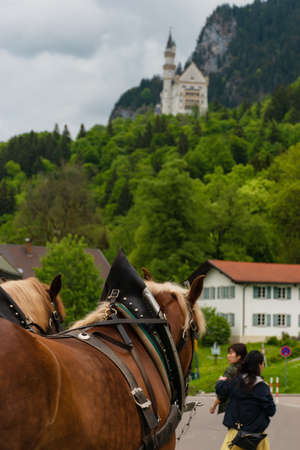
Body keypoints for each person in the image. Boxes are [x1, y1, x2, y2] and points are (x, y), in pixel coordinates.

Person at [216, 350, 276, 450]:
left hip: (234, 435)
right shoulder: (262, 386)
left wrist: (220, 381)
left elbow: (220, 389)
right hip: (255, 438)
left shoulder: (236, 381)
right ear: (260, 365)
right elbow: (271, 411)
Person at [210, 343, 247, 414]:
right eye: (228, 353)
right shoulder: (247, 368)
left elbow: (222, 392)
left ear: (239, 356)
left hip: (232, 407)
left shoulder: (231, 370)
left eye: (231, 353)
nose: (228, 356)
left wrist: (214, 406)